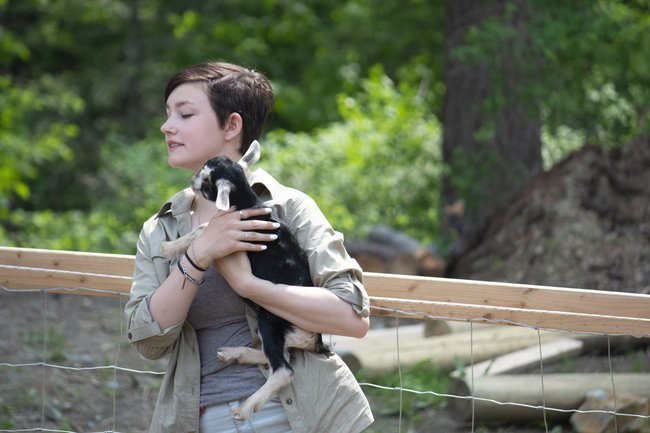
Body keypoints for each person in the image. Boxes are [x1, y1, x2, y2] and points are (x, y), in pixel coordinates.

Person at [124, 61, 374, 433]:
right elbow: (147, 341)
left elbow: (352, 317)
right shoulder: (161, 229)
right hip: (202, 421)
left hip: (303, 417)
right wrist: (197, 255)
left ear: (232, 125)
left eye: (185, 114)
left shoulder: (290, 208)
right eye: (167, 114)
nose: (167, 126)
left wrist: (249, 286)